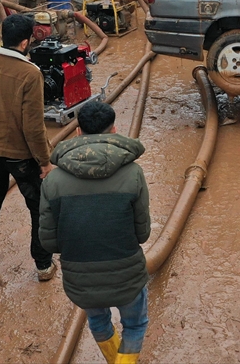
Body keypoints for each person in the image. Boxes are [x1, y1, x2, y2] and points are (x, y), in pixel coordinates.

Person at [39, 102, 151, 364]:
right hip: (127, 272)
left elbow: (48, 240)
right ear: (113, 130)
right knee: (135, 326)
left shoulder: (53, 181)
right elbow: (142, 232)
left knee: (99, 322)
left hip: (80, 276)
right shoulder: (133, 174)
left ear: (78, 133)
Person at [0, 13, 57, 280]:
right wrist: (45, 160)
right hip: (20, 155)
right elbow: (33, 126)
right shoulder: (30, 73)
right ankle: (42, 264)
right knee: (38, 204)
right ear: (26, 43)